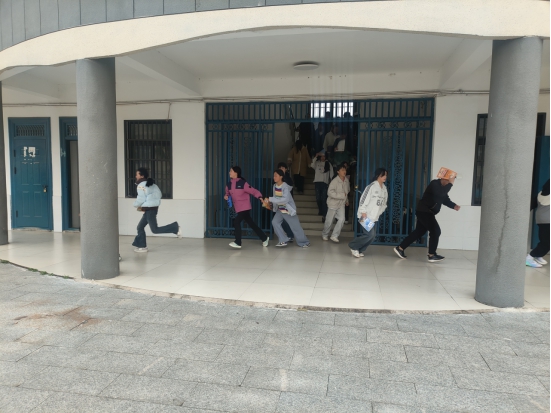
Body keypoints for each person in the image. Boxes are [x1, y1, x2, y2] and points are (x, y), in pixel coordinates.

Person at [394, 174, 460, 262]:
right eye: (449, 181)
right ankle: (432, 255)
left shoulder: (442, 188)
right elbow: (440, 193)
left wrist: (454, 206)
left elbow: (444, 199)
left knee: (419, 232)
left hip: (426, 212)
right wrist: (450, 184)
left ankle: (400, 248)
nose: (449, 183)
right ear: (444, 178)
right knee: (435, 231)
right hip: (425, 211)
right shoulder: (434, 184)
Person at [132, 167, 181, 253]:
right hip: (151, 209)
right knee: (140, 227)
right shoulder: (153, 184)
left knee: (155, 230)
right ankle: (142, 246)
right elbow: (159, 194)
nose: (136, 176)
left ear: (142, 176)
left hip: (149, 210)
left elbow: (141, 199)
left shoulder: (141, 186)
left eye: (137, 174)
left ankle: (175, 228)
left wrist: (135, 205)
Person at [224, 166, 269, 249]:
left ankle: (238, 242)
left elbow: (253, 191)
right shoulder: (229, 184)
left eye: (231, 171)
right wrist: (226, 196)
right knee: (251, 223)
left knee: (236, 222)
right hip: (238, 207)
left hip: (245, 207)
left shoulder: (243, 183)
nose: (229, 172)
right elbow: (227, 193)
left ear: (236, 173)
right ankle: (264, 238)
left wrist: (259, 196)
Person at [348, 168, 388, 258]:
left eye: (386, 175)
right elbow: (363, 199)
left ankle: (360, 249)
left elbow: (384, 203)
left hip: (375, 217)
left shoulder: (384, 189)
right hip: (365, 215)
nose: (385, 177)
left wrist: (379, 212)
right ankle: (353, 246)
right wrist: (363, 212)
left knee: (373, 236)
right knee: (370, 235)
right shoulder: (371, 187)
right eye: (383, 175)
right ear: (378, 175)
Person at [265, 169, 310, 248]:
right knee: (275, 222)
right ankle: (283, 240)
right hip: (280, 210)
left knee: (296, 227)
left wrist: (270, 199)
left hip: (288, 210)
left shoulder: (285, 186)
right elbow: (276, 197)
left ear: (281, 177)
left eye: (276, 176)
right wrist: (271, 204)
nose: (274, 177)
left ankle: (304, 242)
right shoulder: (274, 186)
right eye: (274, 176)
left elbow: (285, 199)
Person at [322, 164, 350, 243]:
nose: (344, 171)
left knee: (342, 219)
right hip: (333, 204)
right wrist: (341, 196)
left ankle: (334, 235)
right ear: (338, 172)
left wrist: (346, 200)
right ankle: (325, 234)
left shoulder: (346, 181)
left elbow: (346, 192)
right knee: (329, 221)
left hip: (341, 204)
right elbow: (330, 193)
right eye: (342, 170)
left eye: (345, 170)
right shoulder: (334, 181)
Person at [527, 179, 550, 268]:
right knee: (547, 243)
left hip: (540, 220)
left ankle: (538, 256)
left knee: (544, 240)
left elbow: (531, 205)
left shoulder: (540, 194)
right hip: (548, 220)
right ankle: (530, 257)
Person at [310, 150, 333, 220]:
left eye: (324, 156)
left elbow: (331, 174)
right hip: (317, 182)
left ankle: (324, 214)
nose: (323, 158)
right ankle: (320, 210)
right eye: (322, 156)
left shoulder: (328, 164)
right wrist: (316, 156)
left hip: (325, 183)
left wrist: (331, 183)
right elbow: (312, 165)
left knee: (324, 199)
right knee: (318, 198)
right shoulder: (317, 163)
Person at [277, 161, 295, 242]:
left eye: (283, 168)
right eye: (280, 168)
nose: (281, 169)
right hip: (279, 203)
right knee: (280, 221)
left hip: (286, 203)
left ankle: (290, 235)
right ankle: (289, 235)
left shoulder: (288, 179)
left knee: (284, 220)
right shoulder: (277, 178)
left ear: (286, 169)